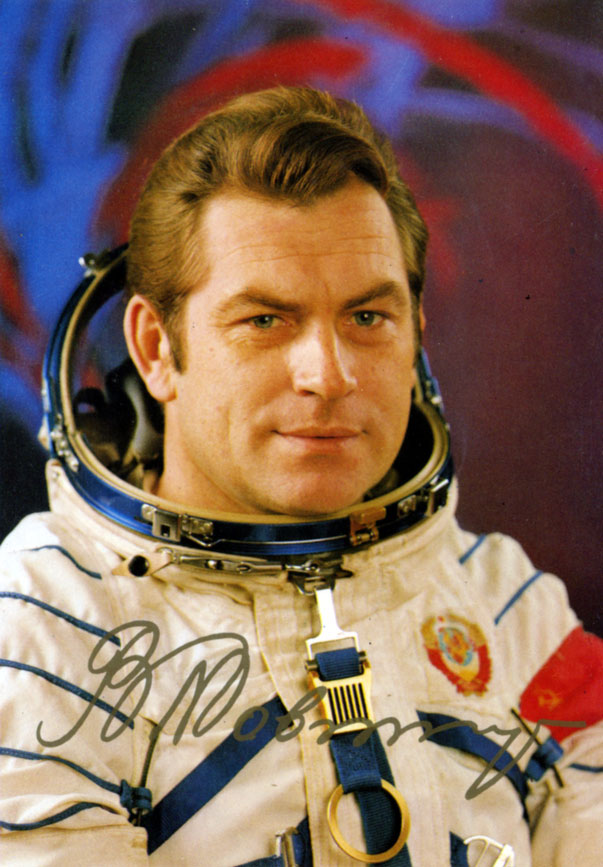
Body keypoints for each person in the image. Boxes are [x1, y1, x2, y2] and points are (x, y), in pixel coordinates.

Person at [0, 86, 601, 867]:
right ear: (155, 348)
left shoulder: (503, 603)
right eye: (265, 320)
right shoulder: (48, 622)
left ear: (415, 332)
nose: (328, 374)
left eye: (366, 317)